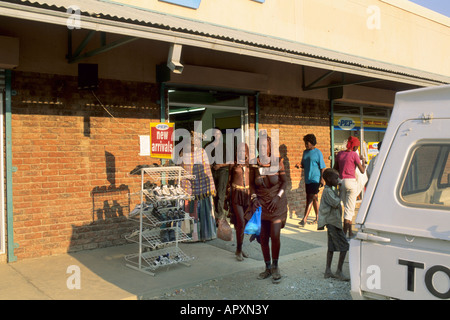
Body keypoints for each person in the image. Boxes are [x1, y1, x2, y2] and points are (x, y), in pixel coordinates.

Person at [250, 132, 288, 283]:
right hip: (261, 205)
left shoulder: (278, 162)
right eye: (260, 145)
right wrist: (254, 199)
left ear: (270, 147)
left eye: (265, 145)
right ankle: (267, 267)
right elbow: (252, 185)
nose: (263, 148)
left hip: (276, 204)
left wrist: (278, 196)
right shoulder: (254, 163)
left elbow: (285, 182)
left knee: (276, 235)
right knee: (264, 237)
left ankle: (275, 266)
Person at [181, 130, 217, 242]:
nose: (193, 146)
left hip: (202, 188)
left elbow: (207, 171)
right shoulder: (183, 153)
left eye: (195, 143)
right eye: (191, 144)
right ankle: (190, 236)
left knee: (203, 212)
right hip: (188, 187)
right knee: (190, 212)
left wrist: (209, 186)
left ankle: (205, 235)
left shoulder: (202, 152)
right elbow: (181, 170)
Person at [317, 168, 349, 281]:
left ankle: (328, 271)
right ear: (329, 179)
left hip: (333, 222)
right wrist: (341, 191)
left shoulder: (330, 189)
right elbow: (336, 203)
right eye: (336, 178)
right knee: (344, 246)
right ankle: (339, 271)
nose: (338, 180)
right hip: (333, 223)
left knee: (331, 247)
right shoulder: (327, 191)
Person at [333, 136, 366, 239]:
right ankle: (343, 235)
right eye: (357, 146)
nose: (357, 148)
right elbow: (362, 171)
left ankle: (350, 232)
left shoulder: (340, 154)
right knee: (349, 210)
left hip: (341, 182)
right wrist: (363, 161)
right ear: (355, 146)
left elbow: (335, 168)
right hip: (351, 183)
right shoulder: (354, 155)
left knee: (347, 208)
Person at [226, 142, 251, 261]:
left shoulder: (250, 164)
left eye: (244, 151)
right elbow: (229, 182)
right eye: (239, 151)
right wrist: (227, 197)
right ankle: (238, 250)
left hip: (247, 195)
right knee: (240, 221)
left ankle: (239, 247)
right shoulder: (233, 164)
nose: (242, 153)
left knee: (244, 224)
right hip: (236, 195)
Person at [296, 134, 326, 227]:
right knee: (314, 198)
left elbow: (323, 167)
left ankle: (304, 219)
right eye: (305, 143)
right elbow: (304, 164)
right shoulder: (305, 152)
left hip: (315, 178)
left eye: (307, 143)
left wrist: (322, 179)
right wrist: (299, 165)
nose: (306, 145)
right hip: (307, 179)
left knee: (310, 198)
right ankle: (318, 218)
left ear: (312, 143)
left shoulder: (318, 153)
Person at [205, 127, 230, 226]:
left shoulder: (224, 146)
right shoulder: (207, 146)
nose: (217, 135)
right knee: (211, 194)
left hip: (222, 172)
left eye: (218, 134)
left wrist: (220, 165)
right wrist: (209, 165)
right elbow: (203, 159)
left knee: (220, 194)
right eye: (215, 134)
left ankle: (220, 217)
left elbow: (230, 161)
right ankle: (213, 216)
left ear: (220, 135)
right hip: (210, 172)